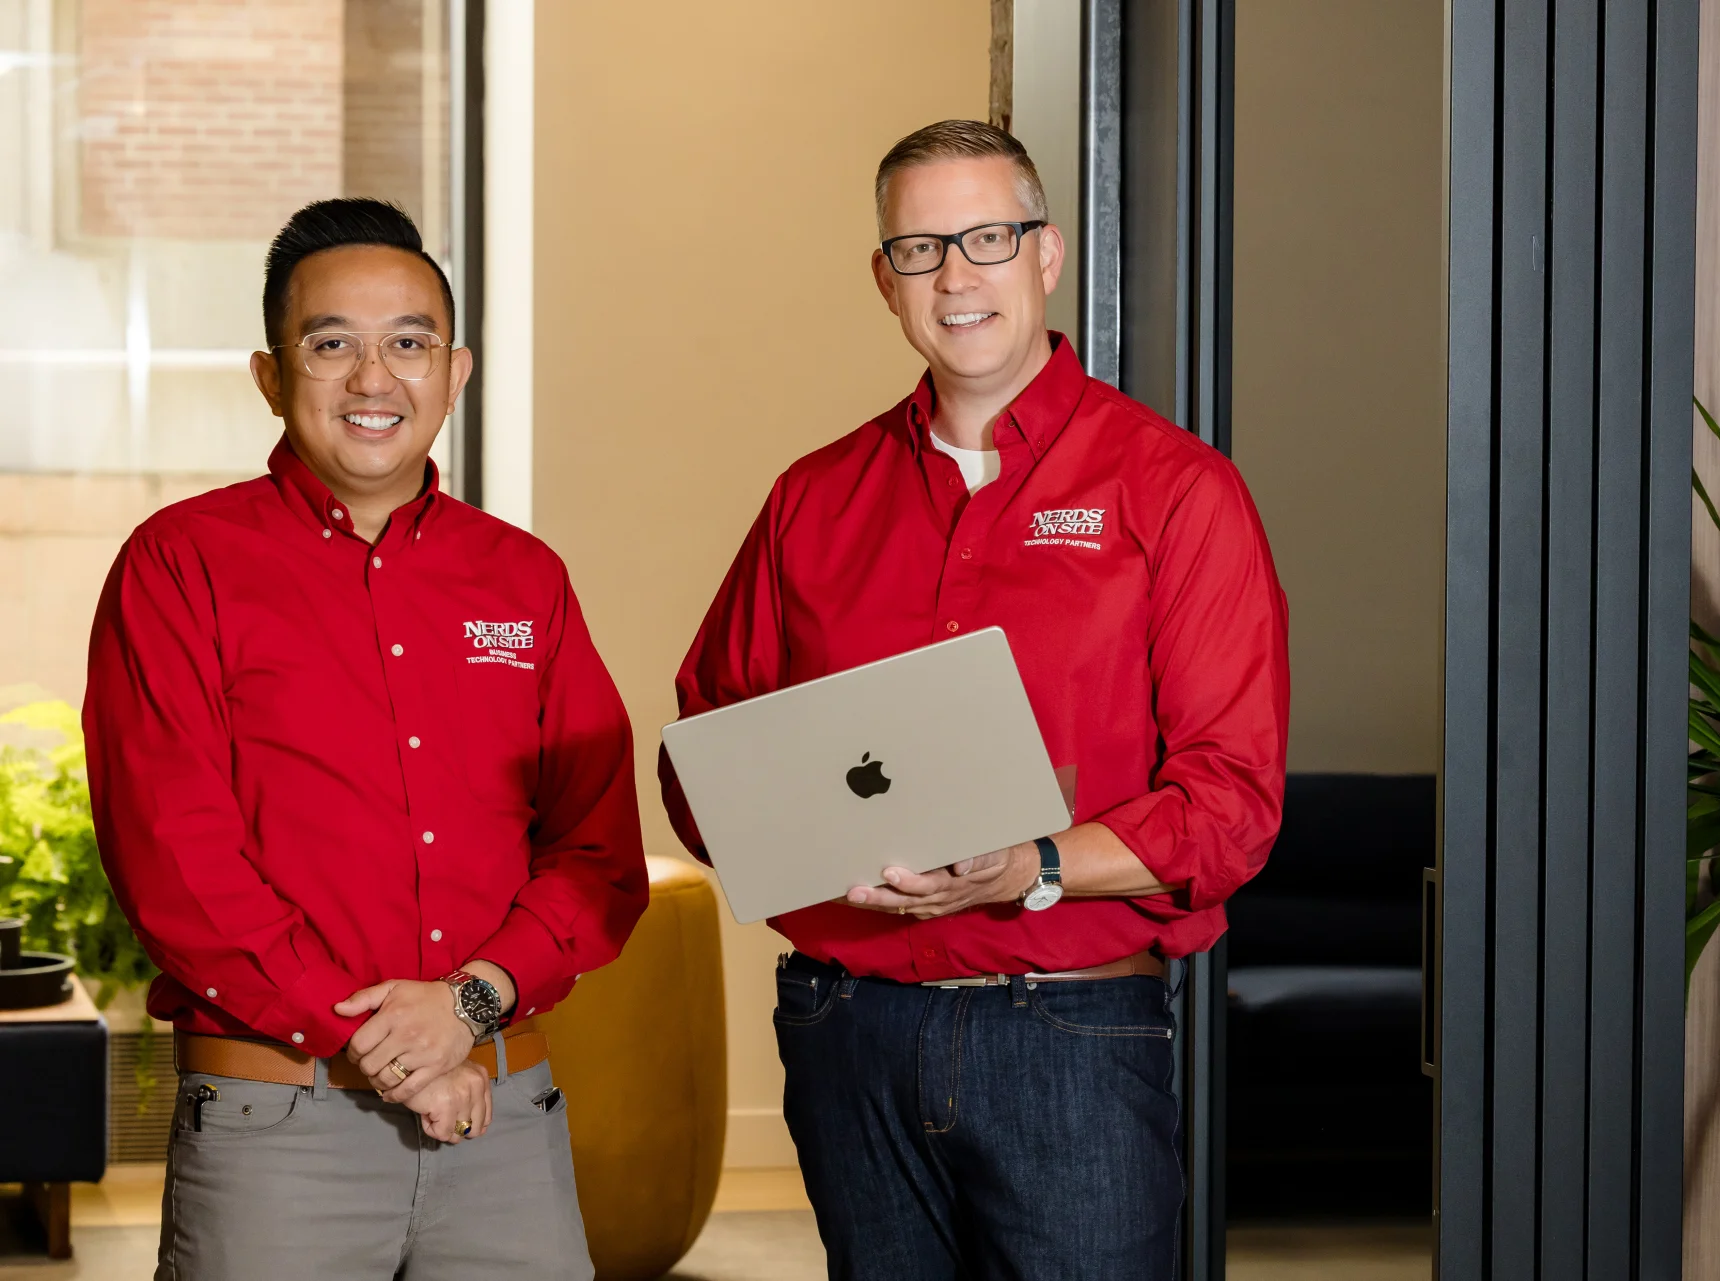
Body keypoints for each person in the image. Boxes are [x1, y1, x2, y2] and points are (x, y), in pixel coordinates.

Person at [660, 120, 1289, 1280]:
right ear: (884, 280)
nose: (957, 276)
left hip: (1070, 1034)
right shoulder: (814, 498)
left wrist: (1034, 865)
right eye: (920, 248)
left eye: (988, 238)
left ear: (1046, 256)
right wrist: (802, 836)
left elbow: (1233, 804)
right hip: (847, 1028)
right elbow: (707, 744)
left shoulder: (1177, 492)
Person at [84, 198, 647, 1281]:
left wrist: (469, 1007)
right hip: (276, 1129)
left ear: (457, 369)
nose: (373, 379)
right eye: (331, 343)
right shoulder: (180, 565)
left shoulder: (525, 580)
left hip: (503, 1126)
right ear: (269, 373)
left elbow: (597, 854)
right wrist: (390, 1048)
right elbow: (177, 864)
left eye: (408, 344)